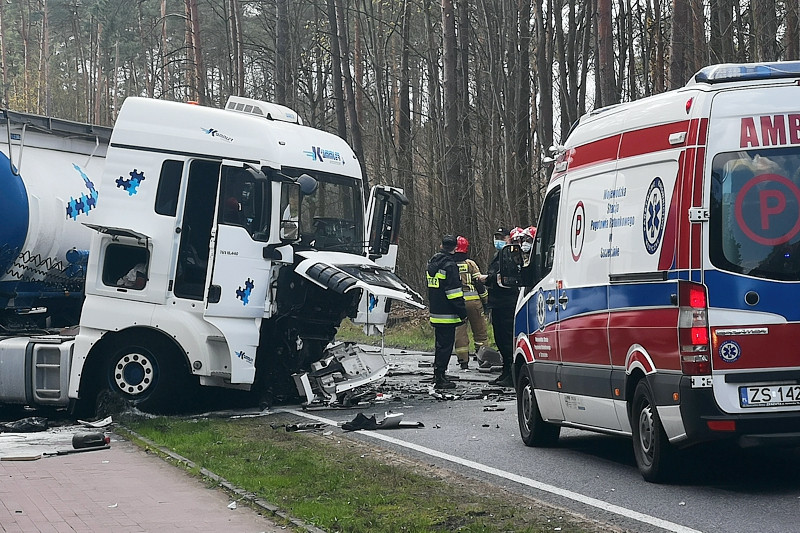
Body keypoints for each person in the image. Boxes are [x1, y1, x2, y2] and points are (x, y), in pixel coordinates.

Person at [426, 235, 468, 389]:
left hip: (436, 311)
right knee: (445, 346)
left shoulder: (432, 262)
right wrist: (463, 313)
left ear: (441, 245)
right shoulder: (450, 265)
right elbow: (454, 293)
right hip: (448, 314)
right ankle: (440, 378)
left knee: (440, 346)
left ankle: (438, 374)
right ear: (455, 248)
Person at [479, 226, 519, 388]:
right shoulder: (500, 255)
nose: (499, 241)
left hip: (507, 303)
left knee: (507, 341)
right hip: (497, 303)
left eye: (502, 238)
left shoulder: (511, 255)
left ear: (509, 239)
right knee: (500, 340)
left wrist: (487, 279)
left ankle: (511, 374)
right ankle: (505, 372)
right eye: (497, 237)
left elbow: (506, 277)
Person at [453, 236, 489, 369]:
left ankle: (463, 361)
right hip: (474, 302)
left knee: (460, 332)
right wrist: (485, 301)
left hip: (457, 304)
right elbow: (479, 283)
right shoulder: (470, 264)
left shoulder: (449, 264)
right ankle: (483, 358)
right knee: (480, 332)